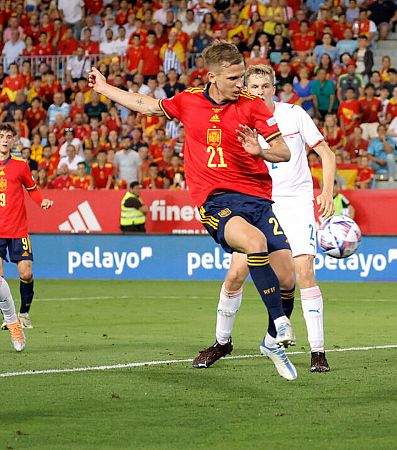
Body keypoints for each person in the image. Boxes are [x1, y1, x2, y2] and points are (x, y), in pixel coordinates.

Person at [87, 42, 297, 373]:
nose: (240, 84)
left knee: (286, 278)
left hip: (257, 199)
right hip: (216, 199)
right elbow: (146, 105)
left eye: (241, 76)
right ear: (212, 77)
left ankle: (271, 342)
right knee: (254, 244)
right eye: (233, 78)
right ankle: (277, 323)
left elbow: (284, 152)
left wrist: (261, 151)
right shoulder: (189, 101)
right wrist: (104, 88)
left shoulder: (253, 105)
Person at [199, 64, 337, 376]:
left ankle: (317, 351)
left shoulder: (295, 115)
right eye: (254, 87)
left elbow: (326, 154)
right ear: (246, 89)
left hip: (295, 202)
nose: (260, 92)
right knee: (236, 274)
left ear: (274, 89)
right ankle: (222, 342)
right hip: (257, 203)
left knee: (303, 272)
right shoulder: (236, 117)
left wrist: (327, 191)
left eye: (265, 86)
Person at [0, 123, 54, 346]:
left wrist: (42, 202)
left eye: (8, 136)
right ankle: (10, 321)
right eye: (1, 136)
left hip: (17, 229)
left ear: (14, 141)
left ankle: (23, 313)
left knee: (26, 273)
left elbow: (32, 189)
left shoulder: (20, 166)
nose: (4, 140)